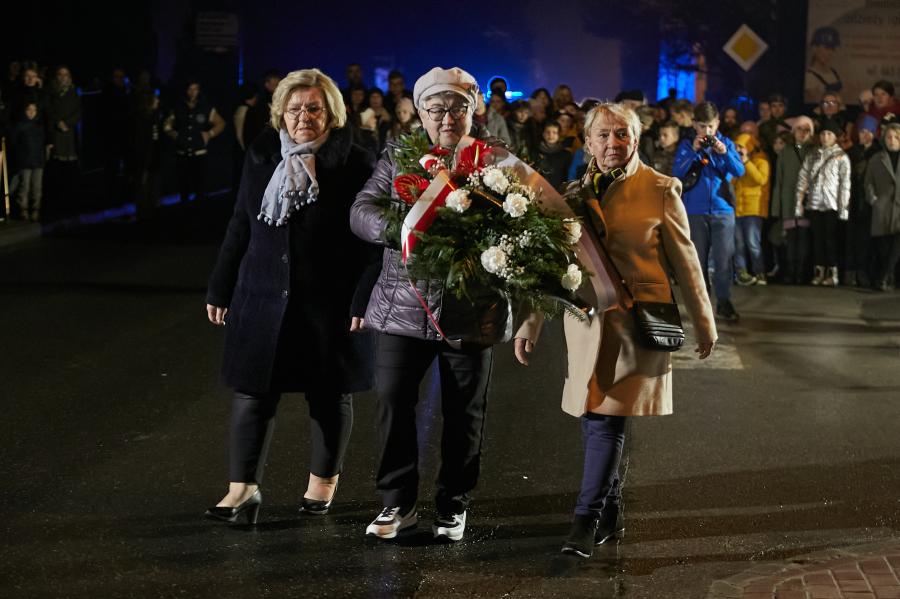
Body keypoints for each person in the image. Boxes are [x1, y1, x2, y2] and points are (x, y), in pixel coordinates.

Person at [513, 102, 717, 558]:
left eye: (622, 134)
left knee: (606, 421)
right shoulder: (569, 194)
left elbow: (687, 263)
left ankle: (583, 522)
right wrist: (530, 323)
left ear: (636, 139)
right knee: (593, 418)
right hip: (584, 323)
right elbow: (551, 266)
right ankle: (611, 510)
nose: (613, 143)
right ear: (587, 142)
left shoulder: (661, 189)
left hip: (634, 326)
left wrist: (704, 323)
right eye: (603, 135)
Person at [350, 66, 519, 543]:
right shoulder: (397, 156)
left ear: (473, 111)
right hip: (402, 305)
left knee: (465, 412)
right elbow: (361, 210)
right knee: (392, 402)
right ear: (421, 113)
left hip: (472, 307)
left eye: (458, 108)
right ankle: (397, 501)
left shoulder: (496, 160)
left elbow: (524, 223)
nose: (447, 117)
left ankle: (453, 502)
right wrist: (399, 229)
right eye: (436, 108)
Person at [204, 68, 379, 525]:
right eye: (294, 108)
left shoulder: (357, 163)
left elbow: (373, 243)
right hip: (262, 293)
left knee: (329, 393)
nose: (303, 116)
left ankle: (322, 483)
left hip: (330, 299)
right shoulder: (262, 154)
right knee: (252, 392)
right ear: (280, 113)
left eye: (314, 108)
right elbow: (240, 223)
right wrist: (221, 285)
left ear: (332, 114)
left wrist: (364, 298)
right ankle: (242, 489)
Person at [673, 101, 745, 320]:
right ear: (694, 124)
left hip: (723, 210)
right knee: (698, 261)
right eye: (702, 126)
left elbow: (739, 171)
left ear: (718, 124)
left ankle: (724, 301)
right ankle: (701, 304)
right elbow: (676, 173)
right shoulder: (687, 145)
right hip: (695, 211)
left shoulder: (727, 143)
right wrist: (693, 151)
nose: (707, 131)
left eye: (711, 126)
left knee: (723, 260)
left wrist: (724, 152)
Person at [795, 118, 851, 286]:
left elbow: (845, 184)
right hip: (814, 203)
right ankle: (819, 271)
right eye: (823, 134)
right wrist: (799, 203)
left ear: (835, 137)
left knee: (830, 239)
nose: (825, 137)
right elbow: (803, 179)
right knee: (817, 239)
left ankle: (833, 272)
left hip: (832, 205)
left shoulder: (841, 157)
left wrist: (843, 208)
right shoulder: (812, 155)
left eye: (829, 134)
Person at [163, 80, 226, 203]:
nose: (192, 92)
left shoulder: (205, 107)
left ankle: (199, 211)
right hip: (182, 154)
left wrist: (209, 134)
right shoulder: (178, 107)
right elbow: (167, 126)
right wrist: (176, 136)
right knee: (183, 189)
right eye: (190, 89)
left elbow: (221, 123)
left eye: (195, 89)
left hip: (199, 154)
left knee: (199, 188)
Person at [771, 116, 815, 284]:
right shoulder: (785, 152)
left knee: (803, 238)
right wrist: (776, 208)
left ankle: (801, 273)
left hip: (807, 201)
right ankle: (790, 272)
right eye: (799, 129)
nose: (802, 133)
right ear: (793, 131)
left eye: (806, 130)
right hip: (788, 201)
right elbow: (779, 181)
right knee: (789, 238)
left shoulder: (814, 152)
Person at [845, 116, 881, 288]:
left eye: (868, 131)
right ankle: (851, 272)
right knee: (850, 238)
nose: (865, 135)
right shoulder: (851, 153)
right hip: (852, 201)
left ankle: (863, 272)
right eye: (862, 131)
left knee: (866, 241)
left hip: (869, 203)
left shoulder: (878, 154)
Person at [864, 123, 900, 291]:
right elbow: (868, 182)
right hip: (883, 207)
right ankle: (888, 277)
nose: (892, 140)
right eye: (889, 137)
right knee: (884, 246)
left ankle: (884, 277)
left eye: (896, 137)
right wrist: (873, 200)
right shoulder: (876, 159)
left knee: (897, 242)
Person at [732, 133, 771, 285]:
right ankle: (741, 273)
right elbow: (732, 181)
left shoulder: (762, 161)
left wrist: (746, 162)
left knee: (753, 242)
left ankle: (760, 272)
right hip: (737, 208)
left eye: (741, 146)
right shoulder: (736, 162)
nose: (738, 150)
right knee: (738, 244)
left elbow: (760, 179)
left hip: (754, 210)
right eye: (736, 147)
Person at [10, 102, 45, 221]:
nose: (31, 112)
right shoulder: (20, 126)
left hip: (38, 161)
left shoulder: (39, 126)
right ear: (25, 111)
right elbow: (14, 143)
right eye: (29, 109)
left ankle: (35, 210)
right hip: (25, 161)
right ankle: (23, 210)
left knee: (37, 187)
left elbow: (43, 143)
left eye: (34, 110)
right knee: (24, 186)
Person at [804, 27, 842, 104]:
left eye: (832, 49)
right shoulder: (809, 77)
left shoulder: (833, 72)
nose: (830, 53)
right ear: (814, 48)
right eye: (826, 48)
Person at [536, 120, 572, 190]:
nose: (551, 135)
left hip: (557, 190)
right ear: (543, 134)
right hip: (538, 188)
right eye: (548, 132)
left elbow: (567, 176)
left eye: (554, 132)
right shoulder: (536, 151)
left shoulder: (565, 154)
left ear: (559, 135)